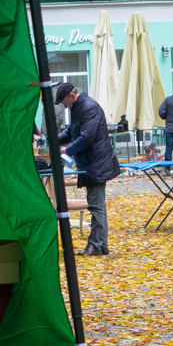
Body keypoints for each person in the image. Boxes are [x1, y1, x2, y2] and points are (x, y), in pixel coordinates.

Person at [54, 83, 121, 256]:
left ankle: (95, 245)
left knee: (95, 205)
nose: (64, 105)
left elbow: (86, 137)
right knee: (97, 205)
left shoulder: (89, 108)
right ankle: (102, 245)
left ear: (72, 95)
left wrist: (66, 150)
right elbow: (71, 132)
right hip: (92, 162)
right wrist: (54, 140)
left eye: (64, 101)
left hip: (96, 163)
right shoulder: (78, 108)